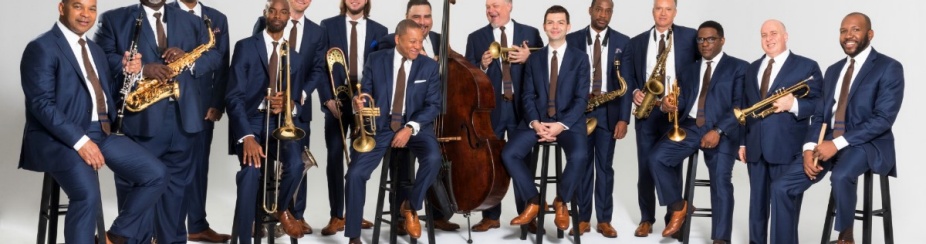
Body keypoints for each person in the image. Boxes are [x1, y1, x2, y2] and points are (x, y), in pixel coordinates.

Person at [19, 0, 166, 243]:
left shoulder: (95, 50)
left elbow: (106, 93)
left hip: (102, 131)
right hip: (61, 138)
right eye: (78, 6)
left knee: (156, 173)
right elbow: (41, 105)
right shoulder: (42, 47)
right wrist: (80, 141)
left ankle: (114, 237)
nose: (86, 15)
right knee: (87, 196)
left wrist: (134, 72)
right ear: (62, 7)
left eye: (92, 8)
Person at [95, 0, 222, 242]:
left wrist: (189, 59)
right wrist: (142, 69)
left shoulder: (192, 20)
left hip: (184, 120)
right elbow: (99, 59)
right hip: (140, 119)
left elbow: (214, 55)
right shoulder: (113, 19)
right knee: (139, 187)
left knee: (176, 192)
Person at [794, 12, 904, 244]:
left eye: (855, 29)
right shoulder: (833, 70)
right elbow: (820, 115)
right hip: (828, 140)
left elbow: (883, 119)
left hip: (869, 143)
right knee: (783, 184)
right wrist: (809, 146)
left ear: (869, 34)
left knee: (842, 175)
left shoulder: (889, 67)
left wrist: (836, 143)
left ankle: (846, 236)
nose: (848, 35)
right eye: (843, 30)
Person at [344, 19, 443, 244]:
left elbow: (433, 105)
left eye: (420, 41)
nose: (418, 46)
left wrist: (409, 128)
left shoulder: (428, 66)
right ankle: (353, 237)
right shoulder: (376, 59)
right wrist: (358, 102)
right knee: (355, 174)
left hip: (416, 127)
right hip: (381, 127)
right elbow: (365, 91)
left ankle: (410, 205)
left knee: (434, 158)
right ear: (398, 40)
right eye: (412, 41)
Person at [648, 20, 746, 242]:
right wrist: (667, 104)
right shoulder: (690, 69)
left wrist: (719, 130)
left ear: (722, 40)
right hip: (691, 127)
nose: (704, 44)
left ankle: (720, 238)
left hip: (723, 130)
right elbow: (683, 101)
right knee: (656, 158)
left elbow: (740, 107)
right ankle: (679, 206)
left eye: (710, 39)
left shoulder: (739, 67)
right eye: (700, 39)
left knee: (720, 181)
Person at [371, 0, 462, 234]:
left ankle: (438, 213)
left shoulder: (441, 41)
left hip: (435, 115)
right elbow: (382, 53)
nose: (422, 22)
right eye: (417, 17)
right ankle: (400, 217)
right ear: (407, 17)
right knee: (402, 163)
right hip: (402, 117)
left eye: (427, 16)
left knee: (435, 162)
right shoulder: (394, 39)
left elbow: (457, 66)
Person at [225, 0, 312, 242]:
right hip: (250, 122)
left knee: (296, 164)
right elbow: (233, 97)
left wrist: (288, 104)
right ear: (265, 14)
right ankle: (243, 238)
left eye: (283, 12)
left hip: (278, 124)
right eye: (272, 10)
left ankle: (282, 209)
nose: (277, 15)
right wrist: (247, 137)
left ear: (288, 18)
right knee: (251, 175)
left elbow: (295, 99)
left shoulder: (295, 56)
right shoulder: (245, 47)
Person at [502, 4, 590, 233]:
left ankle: (561, 200)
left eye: (560, 22)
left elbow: (582, 99)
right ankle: (533, 200)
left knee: (580, 155)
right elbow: (527, 95)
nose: (555, 26)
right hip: (537, 121)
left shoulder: (581, 59)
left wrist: (560, 125)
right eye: (550, 22)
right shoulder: (534, 58)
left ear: (568, 27)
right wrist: (536, 123)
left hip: (568, 124)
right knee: (509, 153)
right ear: (544, 26)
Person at [739, 19, 822, 244]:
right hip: (755, 146)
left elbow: (819, 106)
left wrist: (793, 104)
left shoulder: (807, 66)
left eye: (774, 33)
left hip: (787, 147)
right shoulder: (752, 68)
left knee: (786, 209)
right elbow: (746, 107)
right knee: (756, 206)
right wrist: (742, 143)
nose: (769, 39)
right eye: (764, 35)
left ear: (786, 36)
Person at [250, 0, 328, 235]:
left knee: (298, 162)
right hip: (267, 107)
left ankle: (296, 215)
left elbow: (317, 69)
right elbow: (259, 60)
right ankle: (262, 214)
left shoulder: (318, 31)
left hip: (298, 107)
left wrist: (298, 96)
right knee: (264, 165)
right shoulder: (266, 21)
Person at [464, 0, 543, 232]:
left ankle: (528, 214)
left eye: (496, 5)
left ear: (509, 6)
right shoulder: (475, 37)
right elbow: (468, 76)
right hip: (492, 109)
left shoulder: (530, 33)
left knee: (523, 161)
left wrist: (530, 58)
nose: (491, 10)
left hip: (523, 108)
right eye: (488, 6)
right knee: (489, 163)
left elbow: (545, 69)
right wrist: (482, 65)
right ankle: (490, 215)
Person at [622, 0, 699, 237]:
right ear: (653, 11)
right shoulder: (636, 42)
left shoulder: (690, 37)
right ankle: (647, 218)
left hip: (676, 110)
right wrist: (635, 90)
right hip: (648, 110)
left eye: (668, 9)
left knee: (671, 164)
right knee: (645, 165)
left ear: (675, 12)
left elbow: (701, 71)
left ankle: (672, 217)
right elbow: (629, 75)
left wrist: (683, 99)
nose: (663, 13)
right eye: (658, 8)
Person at [318, 0, 388, 233]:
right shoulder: (327, 26)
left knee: (360, 158)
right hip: (336, 101)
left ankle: (354, 215)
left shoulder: (380, 30)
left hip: (364, 101)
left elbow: (382, 70)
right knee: (335, 156)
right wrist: (327, 99)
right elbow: (319, 66)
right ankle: (337, 215)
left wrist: (370, 102)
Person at [563, 0, 630, 237]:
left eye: (608, 10)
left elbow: (627, 84)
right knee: (580, 165)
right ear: (590, 11)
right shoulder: (571, 40)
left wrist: (624, 119)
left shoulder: (624, 41)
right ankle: (581, 219)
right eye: (599, 9)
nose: (603, 14)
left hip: (608, 111)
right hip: (578, 111)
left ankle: (604, 220)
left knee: (605, 168)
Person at [167, 0, 232, 242]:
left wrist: (217, 103)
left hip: (204, 106)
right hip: (168, 103)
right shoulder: (163, 11)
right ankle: (165, 228)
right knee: (169, 167)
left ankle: (196, 225)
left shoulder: (217, 18)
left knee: (199, 167)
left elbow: (223, 64)